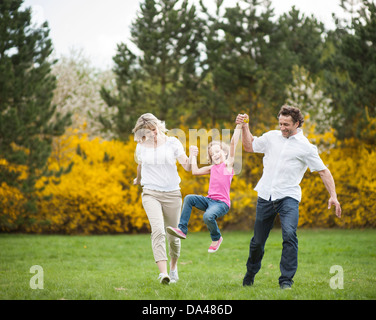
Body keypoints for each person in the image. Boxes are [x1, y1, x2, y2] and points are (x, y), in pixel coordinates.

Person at [237, 105, 342, 289]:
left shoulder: (306, 147)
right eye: (280, 123)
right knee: (257, 242)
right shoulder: (271, 137)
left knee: (289, 234)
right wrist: (245, 127)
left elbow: (323, 171)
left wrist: (333, 196)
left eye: (286, 124)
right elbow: (248, 146)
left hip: (288, 197)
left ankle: (286, 281)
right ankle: (250, 273)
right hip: (265, 195)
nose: (282, 127)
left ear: (297, 123)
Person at [132, 113, 194, 285]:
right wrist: (138, 179)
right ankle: (164, 274)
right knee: (157, 230)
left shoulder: (173, 143)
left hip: (172, 193)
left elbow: (187, 166)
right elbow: (140, 164)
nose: (153, 133)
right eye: (149, 131)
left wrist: (193, 155)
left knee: (173, 236)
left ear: (159, 125)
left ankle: (173, 268)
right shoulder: (141, 146)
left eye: (154, 129)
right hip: (150, 192)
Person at [167, 123, 242, 253]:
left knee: (208, 216)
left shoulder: (227, 165)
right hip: (209, 201)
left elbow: (234, 143)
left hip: (221, 203)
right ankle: (182, 230)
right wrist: (193, 156)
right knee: (189, 198)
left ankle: (216, 238)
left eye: (217, 151)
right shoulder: (211, 168)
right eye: (212, 154)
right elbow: (195, 171)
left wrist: (239, 127)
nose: (215, 155)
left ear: (224, 152)